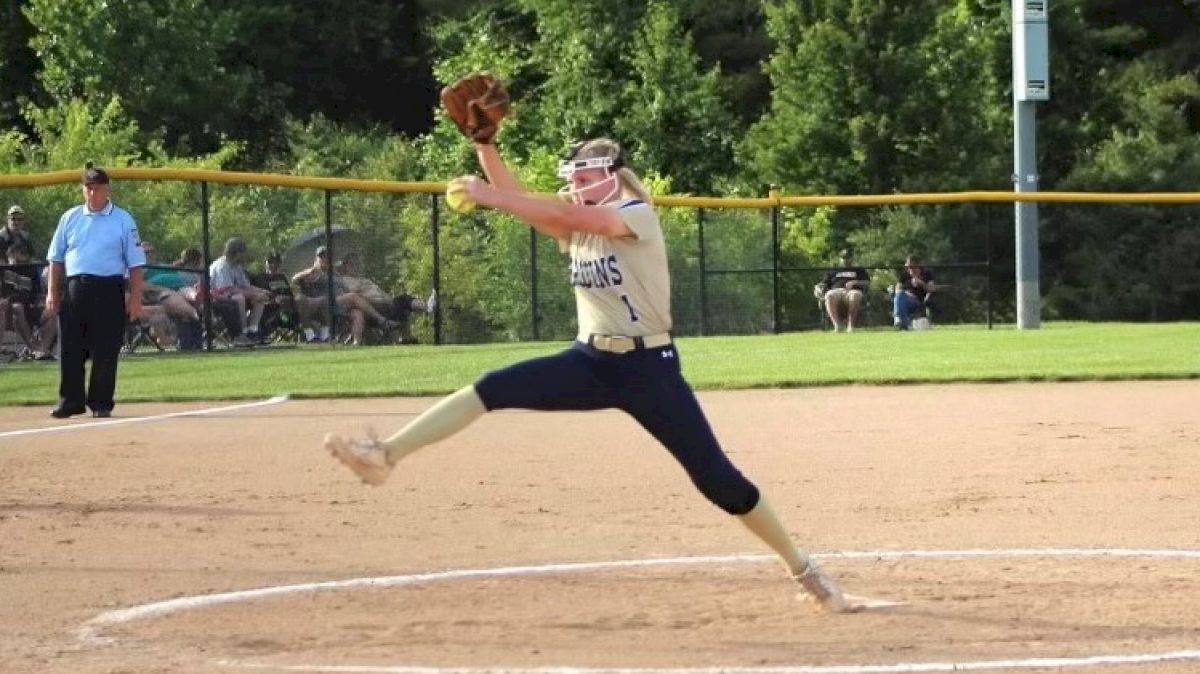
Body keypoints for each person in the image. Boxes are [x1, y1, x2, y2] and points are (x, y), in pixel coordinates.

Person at [324, 135, 852, 612]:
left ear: (611, 175)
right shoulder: (575, 222)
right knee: (490, 388)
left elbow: (572, 217)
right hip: (590, 361)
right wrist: (485, 146)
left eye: (582, 178)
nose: (573, 188)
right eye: (570, 181)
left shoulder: (635, 212)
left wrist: (486, 194)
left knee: (719, 482)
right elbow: (533, 207)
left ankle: (803, 569)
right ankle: (383, 456)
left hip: (649, 369)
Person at [42, 163, 145, 418]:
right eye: (88, 187)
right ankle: (70, 401)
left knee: (105, 348)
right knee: (70, 347)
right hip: (76, 288)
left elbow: (135, 264)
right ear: (82, 190)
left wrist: (135, 299)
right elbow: (56, 259)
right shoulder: (70, 217)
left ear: (107, 190)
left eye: (97, 188)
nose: (92, 193)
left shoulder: (123, 219)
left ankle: (100, 402)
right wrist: (53, 293)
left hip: (109, 287)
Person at [291, 246, 396, 345]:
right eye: (321, 257)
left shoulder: (335, 273)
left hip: (342, 303)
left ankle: (356, 343)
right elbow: (294, 279)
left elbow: (345, 288)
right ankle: (381, 320)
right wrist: (308, 272)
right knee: (352, 296)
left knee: (358, 313)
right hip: (327, 303)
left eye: (327, 256)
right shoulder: (313, 272)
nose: (325, 259)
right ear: (316, 258)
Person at [339, 251, 436, 344]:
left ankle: (407, 337)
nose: (355, 266)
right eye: (351, 264)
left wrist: (390, 300)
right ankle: (427, 308)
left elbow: (383, 294)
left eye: (357, 263)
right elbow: (352, 293)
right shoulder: (345, 280)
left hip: (385, 307)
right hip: (371, 310)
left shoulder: (366, 280)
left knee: (402, 304)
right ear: (346, 266)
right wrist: (362, 286)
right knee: (403, 299)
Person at [209, 237, 272, 345]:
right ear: (237, 253)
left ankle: (252, 331)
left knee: (260, 298)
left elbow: (245, 285)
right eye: (242, 253)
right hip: (217, 297)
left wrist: (262, 291)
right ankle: (242, 333)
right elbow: (226, 289)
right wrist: (253, 295)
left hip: (233, 294)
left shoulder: (237, 267)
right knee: (239, 298)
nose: (244, 256)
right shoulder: (221, 266)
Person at [3, 239, 56, 359]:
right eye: (13, 255)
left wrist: (43, 302)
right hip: (10, 309)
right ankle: (32, 346)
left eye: (21, 254)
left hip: (31, 305)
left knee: (53, 311)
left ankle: (42, 349)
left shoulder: (31, 270)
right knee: (18, 307)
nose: (16, 259)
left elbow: (37, 293)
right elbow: (5, 294)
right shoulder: (4, 271)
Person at [813, 248, 870, 332]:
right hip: (837, 291)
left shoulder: (859, 270)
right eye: (843, 258)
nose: (845, 260)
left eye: (847, 258)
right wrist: (818, 287)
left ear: (852, 258)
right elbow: (823, 283)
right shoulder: (834, 270)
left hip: (852, 291)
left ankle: (851, 326)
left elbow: (867, 282)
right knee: (829, 295)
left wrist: (855, 282)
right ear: (840, 259)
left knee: (855, 295)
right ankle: (837, 326)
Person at [892, 255, 937, 330]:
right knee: (899, 296)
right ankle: (902, 323)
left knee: (899, 298)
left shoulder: (926, 274)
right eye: (908, 267)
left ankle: (898, 318)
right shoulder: (904, 275)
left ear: (918, 266)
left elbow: (931, 289)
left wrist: (921, 283)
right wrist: (906, 293)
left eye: (912, 267)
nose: (910, 269)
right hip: (905, 299)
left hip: (918, 301)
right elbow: (898, 288)